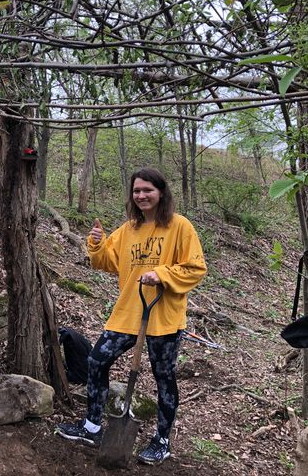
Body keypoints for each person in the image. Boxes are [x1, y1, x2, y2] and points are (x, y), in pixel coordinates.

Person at [56, 168, 206, 465]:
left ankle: (162, 440)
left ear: (161, 192)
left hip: (162, 316)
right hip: (127, 313)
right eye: (137, 191)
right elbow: (107, 262)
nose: (141, 196)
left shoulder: (180, 226)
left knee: (164, 376)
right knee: (97, 360)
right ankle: (92, 426)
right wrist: (97, 243)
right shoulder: (128, 230)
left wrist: (161, 274)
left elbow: (195, 268)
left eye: (147, 190)